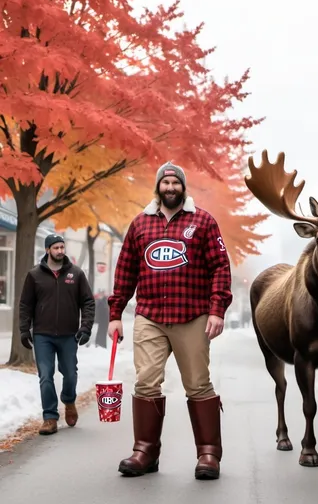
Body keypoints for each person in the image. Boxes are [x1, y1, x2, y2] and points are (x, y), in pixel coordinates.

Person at [108, 161, 233, 480]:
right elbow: (125, 271)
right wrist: (115, 314)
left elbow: (220, 266)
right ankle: (145, 451)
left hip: (192, 315)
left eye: (176, 183)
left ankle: (208, 453)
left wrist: (217, 308)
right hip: (150, 316)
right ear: (158, 188)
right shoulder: (140, 225)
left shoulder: (203, 221)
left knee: (197, 383)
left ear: (183, 187)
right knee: (146, 380)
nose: (170, 188)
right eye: (165, 183)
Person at [19, 234, 95, 435]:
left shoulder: (76, 274)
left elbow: (88, 302)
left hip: (69, 334)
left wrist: (85, 327)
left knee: (70, 373)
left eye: (62, 247)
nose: (60, 251)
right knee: (45, 376)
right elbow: (26, 305)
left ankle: (69, 401)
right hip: (42, 335)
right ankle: (50, 417)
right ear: (47, 250)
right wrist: (24, 330)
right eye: (56, 248)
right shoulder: (34, 275)